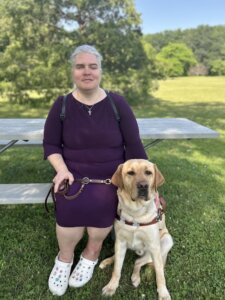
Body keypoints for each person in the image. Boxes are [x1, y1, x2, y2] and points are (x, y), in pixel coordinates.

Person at [43, 44, 148, 296]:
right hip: (73, 174)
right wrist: (61, 170)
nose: (86, 71)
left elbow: (134, 146)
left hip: (110, 177)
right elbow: (51, 144)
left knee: (102, 203)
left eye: (93, 66)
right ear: (73, 71)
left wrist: (146, 186)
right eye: (80, 66)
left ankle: (92, 252)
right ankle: (65, 258)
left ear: (100, 71)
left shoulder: (117, 104)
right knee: (70, 208)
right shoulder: (62, 105)